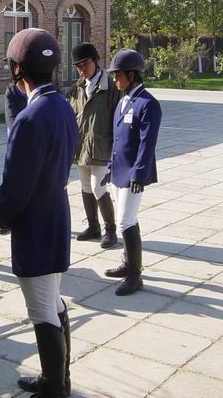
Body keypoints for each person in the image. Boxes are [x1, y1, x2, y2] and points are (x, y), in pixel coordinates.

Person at [0, 28, 78, 398]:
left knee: (41, 310)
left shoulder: (29, 117)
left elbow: (17, 188)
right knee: (53, 302)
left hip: (36, 224)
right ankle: (59, 379)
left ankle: (54, 386)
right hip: (56, 213)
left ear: (16, 68)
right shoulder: (62, 106)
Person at [101, 49, 162, 296]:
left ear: (131, 75)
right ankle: (128, 265)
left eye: (118, 75)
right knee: (124, 218)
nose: (115, 80)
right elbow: (118, 139)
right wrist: (109, 167)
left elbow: (147, 144)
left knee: (127, 220)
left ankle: (135, 276)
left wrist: (138, 172)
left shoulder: (149, 104)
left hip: (133, 174)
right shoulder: (124, 100)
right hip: (118, 170)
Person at [66, 42, 119, 248]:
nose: (81, 69)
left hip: (102, 146)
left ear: (95, 61)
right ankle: (93, 226)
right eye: (78, 65)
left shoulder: (111, 87)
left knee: (99, 187)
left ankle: (110, 230)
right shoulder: (76, 89)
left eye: (85, 63)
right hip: (81, 147)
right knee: (86, 186)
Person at [0, 81, 28, 236]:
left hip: (36, 142)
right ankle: (7, 218)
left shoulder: (37, 86)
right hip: (16, 143)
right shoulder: (12, 90)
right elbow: (12, 118)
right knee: (11, 181)